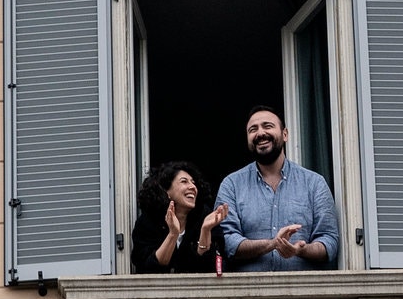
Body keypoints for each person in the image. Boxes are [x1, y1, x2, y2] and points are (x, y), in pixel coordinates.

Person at [216, 106, 338, 272]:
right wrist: (272, 244)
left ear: (285, 134)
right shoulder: (231, 185)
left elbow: (329, 241)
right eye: (253, 129)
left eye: (268, 126)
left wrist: (301, 250)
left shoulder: (314, 183)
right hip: (248, 294)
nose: (260, 133)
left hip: (303, 293)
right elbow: (226, 241)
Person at [130, 161, 227, 275]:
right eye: (184, 182)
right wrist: (173, 234)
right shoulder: (149, 221)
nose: (192, 187)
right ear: (166, 191)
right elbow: (149, 268)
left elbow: (209, 268)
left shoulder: (204, 216)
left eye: (193, 182)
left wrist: (205, 230)